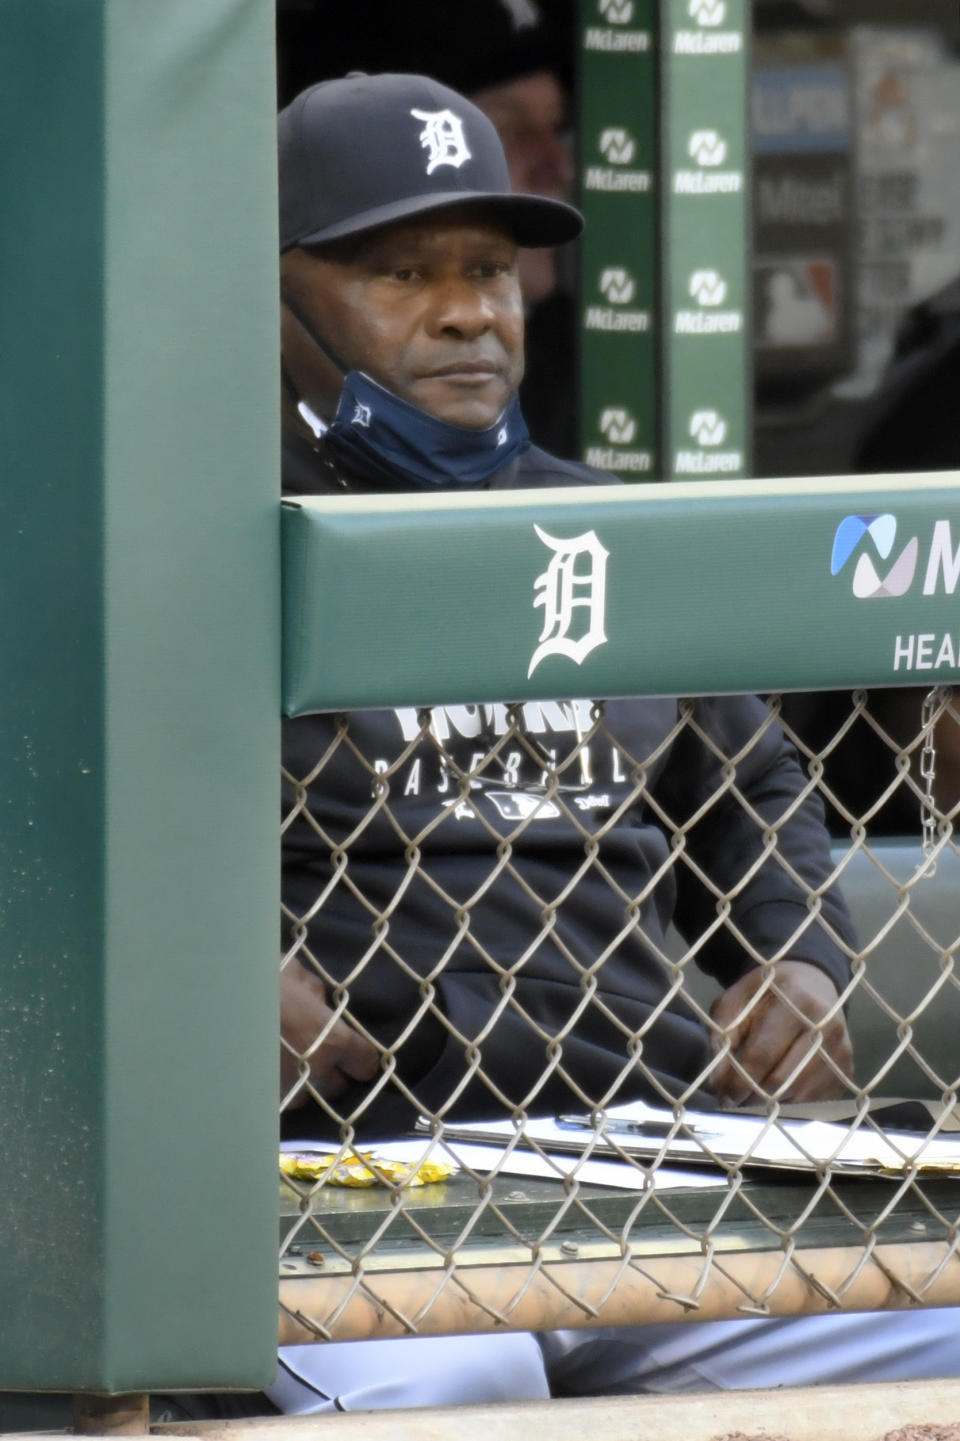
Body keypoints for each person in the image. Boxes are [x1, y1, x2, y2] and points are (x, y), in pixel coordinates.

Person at [273, 72, 960, 1411]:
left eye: (491, 266)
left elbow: (761, 780)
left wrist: (796, 960)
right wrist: (194, 983)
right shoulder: (208, 539)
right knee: (439, 1396)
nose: (472, 309)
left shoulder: (604, 529)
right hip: (354, 1177)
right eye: (402, 271)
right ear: (279, 292)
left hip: (635, 1159)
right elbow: (72, 818)